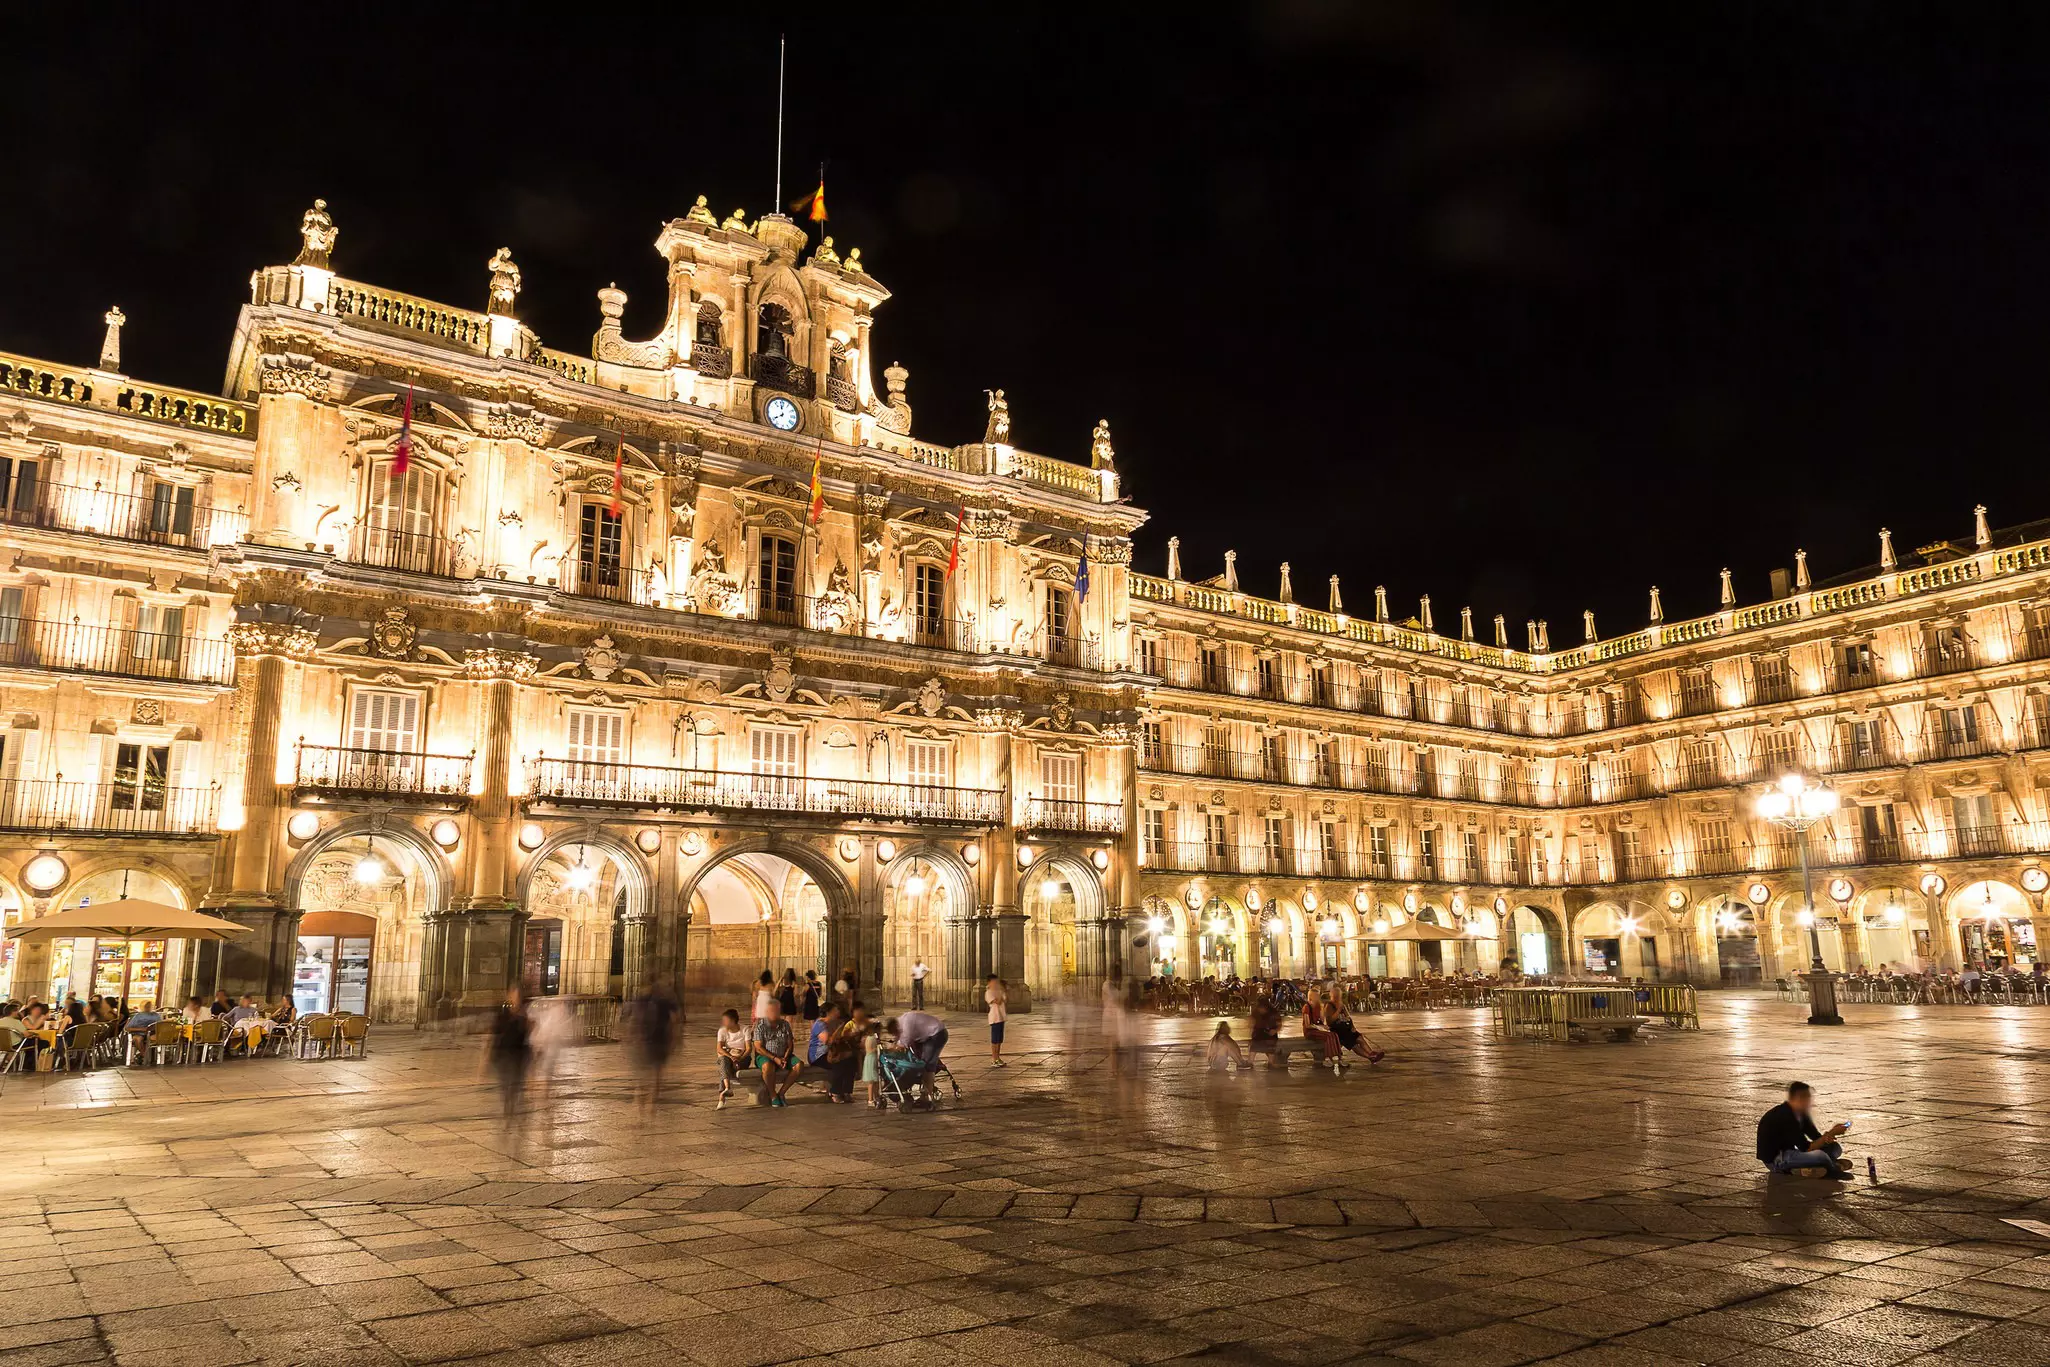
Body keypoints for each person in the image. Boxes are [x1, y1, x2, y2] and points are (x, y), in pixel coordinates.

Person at [1756, 1081, 1851, 1179]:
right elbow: (1806, 1148)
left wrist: (1830, 1135)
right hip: (1777, 1159)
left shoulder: (1800, 1113)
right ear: (1798, 1098)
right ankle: (1833, 1167)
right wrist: (1831, 1133)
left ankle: (1812, 1167)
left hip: (1791, 1152)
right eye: (1808, 1098)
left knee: (1835, 1148)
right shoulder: (1785, 1116)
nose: (1811, 1102)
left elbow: (1816, 1137)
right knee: (1820, 1156)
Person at [483, 988, 533, 1131]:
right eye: (513, 995)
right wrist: (485, 1060)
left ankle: (513, 1108)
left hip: (518, 1057)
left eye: (517, 996)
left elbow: (528, 1039)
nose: (514, 998)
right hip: (503, 1057)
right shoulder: (502, 1015)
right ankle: (509, 1109)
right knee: (506, 1086)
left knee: (516, 1086)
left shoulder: (524, 1017)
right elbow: (492, 1035)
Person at [628, 986, 679, 1115]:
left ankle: (641, 1105)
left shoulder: (643, 1001)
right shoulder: (664, 1002)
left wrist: (631, 1038)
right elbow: (674, 1022)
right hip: (657, 1043)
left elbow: (633, 1021)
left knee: (643, 1077)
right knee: (655, 1076)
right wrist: (674, 1041)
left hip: (648, 1043)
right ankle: (651, 1104)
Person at [751, 998, 801, 1106]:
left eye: (777, 1010)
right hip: (766, 1056)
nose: (775, 1013)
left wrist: (785, 1057)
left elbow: (790, 1043)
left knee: (798, 1065)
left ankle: (782, 1093)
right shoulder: (760, 1026)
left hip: (783, 1055)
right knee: (768, 1067)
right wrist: (775, 1058)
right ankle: (773, 1095)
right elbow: (758, 1047)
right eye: (773, 1010)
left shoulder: (785, 1024)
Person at [714, 1008, 751, 1110]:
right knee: (723, 1061)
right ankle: (727, 1088)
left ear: (733, 1020)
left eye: (726, 1020)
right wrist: (731, 1057)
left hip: (742, 1057)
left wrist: (739, 1058)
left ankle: (722, 1096)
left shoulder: (745, 1029)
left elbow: (749, 1049)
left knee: (723, 1068)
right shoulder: (722, 1031)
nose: (724, 1023)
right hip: (728, 1057)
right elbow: (719, 1048)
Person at [985, 975, 1008, 1065]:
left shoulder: (999, 991)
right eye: (994, 981)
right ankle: (994, 1059)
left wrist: (1002, 990)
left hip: (1001, 1017)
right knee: (994, 1039)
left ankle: (998, 1057)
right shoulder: (989, 992)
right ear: (989, 982)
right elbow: (997, 1001)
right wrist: (1000, 991)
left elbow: (1005, 999)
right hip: (994, 1017)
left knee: (999, 1039)